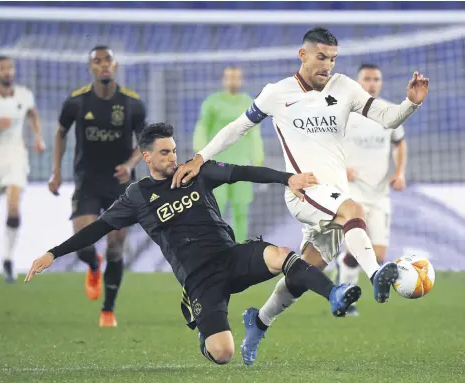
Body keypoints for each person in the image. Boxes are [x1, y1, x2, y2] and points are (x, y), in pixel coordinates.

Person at [171, 27, 429, 365]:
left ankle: (259, 321)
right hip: (303, 190)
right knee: (354, 209)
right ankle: (375, 272)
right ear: (302, 55)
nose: (328, 65)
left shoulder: (345, 87)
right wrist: (201, 157)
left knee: (303, 273)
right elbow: (238, 126)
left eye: (333, 59)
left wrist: (410, 102)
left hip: (332, 195)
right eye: (321, 57)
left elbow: (387, 118)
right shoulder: (278, 93)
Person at [26, 122, 361, 365]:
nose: (173, 157)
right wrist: (53, 253)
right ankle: (204, 332)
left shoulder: (195, 171)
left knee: (282, 256)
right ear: (146, 157)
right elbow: (98, 227)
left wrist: (287, 178)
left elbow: (244, 172)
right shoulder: (138, 196)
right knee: (223, 353)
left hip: (231, 256)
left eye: (174, 150)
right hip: (200, 280)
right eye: (164, 152)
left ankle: (334, 293)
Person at [48, 45, 146, 327]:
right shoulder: (77, 102)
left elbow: (145, 142)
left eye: (108, 60)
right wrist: (56, 172)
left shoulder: (132, 103)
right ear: (90, 68)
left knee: (116, 244)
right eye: (97, 61)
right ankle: (92, 264)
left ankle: (108, 310)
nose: (103, 65)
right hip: (88, 181)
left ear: (116, 66)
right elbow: (60, 133)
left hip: (120, 184)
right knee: (83, 242)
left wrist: (129, 164)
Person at [335, 63, 408, 316]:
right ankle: (346, 297)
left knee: (378, 253)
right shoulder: (344, 113)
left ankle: (343, 265)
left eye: (376, 79)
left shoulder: (390, 112)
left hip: (379, 193)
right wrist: (340, 169)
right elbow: (326, 146)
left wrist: (399, 172)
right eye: (367, 79)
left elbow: (399, 144)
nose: (372, 83)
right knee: (358, 246)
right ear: (358, 82)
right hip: (352, 192)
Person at [193, 65, 264, 243]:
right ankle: (217, 247)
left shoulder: (248, 102)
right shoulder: (212, 102)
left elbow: (255, 134)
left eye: (236, 77)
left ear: (241, 79)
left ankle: (238, 247)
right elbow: (202, 128)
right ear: (224, 80)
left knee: (241, 211)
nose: (233, 81)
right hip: (217, 164)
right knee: (215, 209)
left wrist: (258, 159)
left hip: (241, 166)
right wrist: (200, 156)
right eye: (229, 77)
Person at [0, 56, 45, 282]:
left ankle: (9, 259)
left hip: (15, 158)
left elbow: (32, 113)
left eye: (10, 68)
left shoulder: (24, 94)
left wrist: (38, 138)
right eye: (2, 68)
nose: (7, 72)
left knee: (13, 206)